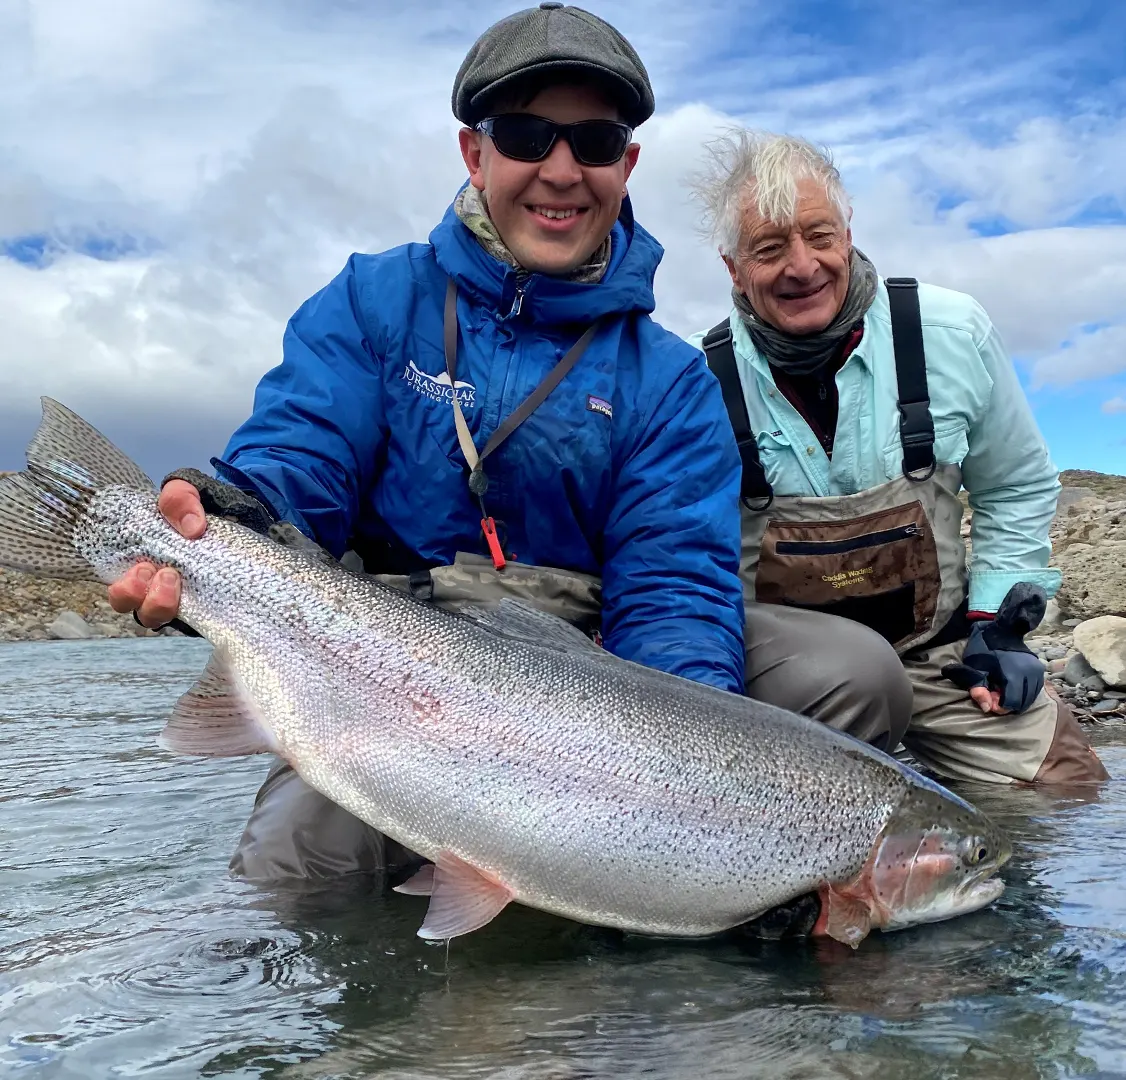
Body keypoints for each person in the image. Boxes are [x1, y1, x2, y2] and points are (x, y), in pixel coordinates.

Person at [108, 6, 909, 889]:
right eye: (527, 135)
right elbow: (299, 460)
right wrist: (221, 519)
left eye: (595, 141)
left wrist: (672, 798)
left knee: (854, 672)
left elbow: (674, 590)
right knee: (292, 880)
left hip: (600, 667)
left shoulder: (669, 379)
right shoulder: (376, 302)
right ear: (474, 152)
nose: (561, 171)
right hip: (396, 661)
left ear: (627, 164)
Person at [687, 128, 1108, 787]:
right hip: (789, 684)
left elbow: (1016, 485)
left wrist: (996, 629)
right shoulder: (696, 381)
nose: (803, 266)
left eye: (820, 236)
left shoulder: (952, 333)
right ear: (732, 268)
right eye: (770, 249)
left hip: (940, 656)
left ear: (848, 231)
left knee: (1067, 782)